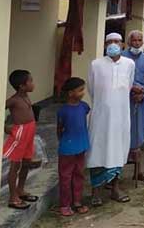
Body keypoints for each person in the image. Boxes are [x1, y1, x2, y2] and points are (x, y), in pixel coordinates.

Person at [87, 33, 135, 206]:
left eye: (116, 41)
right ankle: (96, 192)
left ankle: (115, 189)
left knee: (118, 150)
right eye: (109, 42)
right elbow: (92, 89)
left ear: (122, 45)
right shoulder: (96, 64)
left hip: (121, 116)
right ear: (104, 45)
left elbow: (128, 86)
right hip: (101, 117)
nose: (113, 44)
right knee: (97, 151)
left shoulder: (130, 64)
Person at [122, 30, 144, 184]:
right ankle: (116, 173)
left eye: (139, 40)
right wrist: (131, 89)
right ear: (129, 42)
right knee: (122, 136)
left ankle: (138, 171)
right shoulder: (121, 57)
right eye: (134, 40)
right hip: (124, 102)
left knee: (139, 135)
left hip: (141, 103)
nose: (137, 43)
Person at [3, 69, 37, 210]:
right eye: (30, 81)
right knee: (15, 166)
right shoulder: (14, 100)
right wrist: (6, 127)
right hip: (20, 132)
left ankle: (20, 190)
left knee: (27, 162)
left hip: (29, 132)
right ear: (22, 86)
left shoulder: (26, 96)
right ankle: (13, 197)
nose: (33, 84)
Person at [57, 77, 90, 216]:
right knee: (65, 177)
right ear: (71, 93)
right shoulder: (63, 110)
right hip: (68, 148)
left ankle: (77, 201)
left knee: (79, 174)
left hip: (81, 146)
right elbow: (59, 129)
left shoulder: (84, 106)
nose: (83, 92)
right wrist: (63, 141)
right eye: (80, 90)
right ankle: (65, 204)